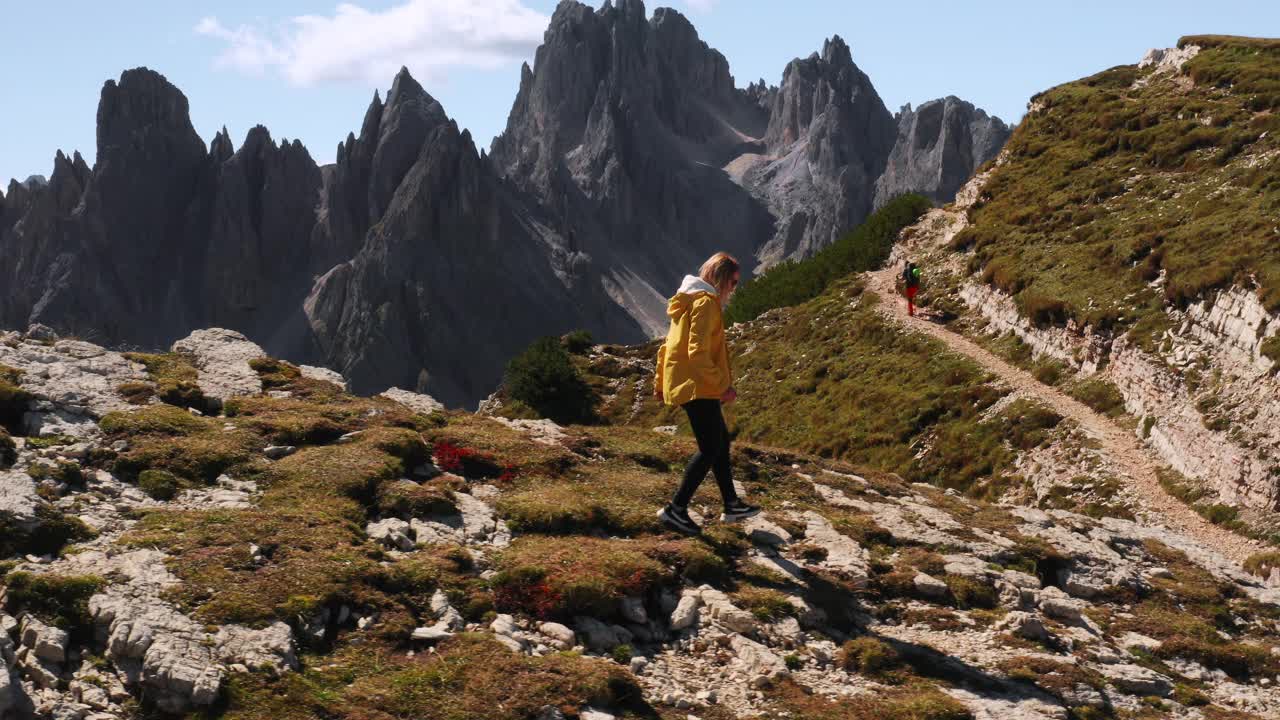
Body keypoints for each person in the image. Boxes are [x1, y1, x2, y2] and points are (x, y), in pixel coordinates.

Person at [653, 252, 761, 534]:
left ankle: (732, 503)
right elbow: (697, 352)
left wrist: (660, 382)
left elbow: (668, 346)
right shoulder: (705, 303)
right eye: (734, 282)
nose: (734, 289)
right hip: (697, 385)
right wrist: (721, 386)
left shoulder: (686, 300)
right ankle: (676, 509)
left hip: (689, 382)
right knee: (710, 448)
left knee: (720, 442)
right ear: (722, 278)